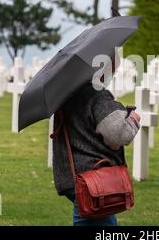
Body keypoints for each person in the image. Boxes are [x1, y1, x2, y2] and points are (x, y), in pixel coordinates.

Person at [52, 55, 141, 226]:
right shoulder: (97, 96)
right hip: (94, 181)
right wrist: (133, 120)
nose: (114, 71)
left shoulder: (68, 94)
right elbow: (118, 135)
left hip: (75, 177)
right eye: (113, 66)